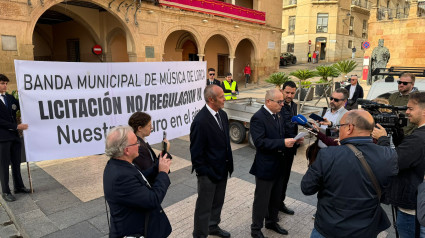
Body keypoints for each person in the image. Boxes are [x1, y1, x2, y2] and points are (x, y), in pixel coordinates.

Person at [302, 110, 399, 238]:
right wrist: (383, 139)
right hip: (365, 230)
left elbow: (307, 188)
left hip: (329, 228)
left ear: (349, 128)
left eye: (340, 126)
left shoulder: (328, 154)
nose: (338, 130)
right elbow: (388, 194)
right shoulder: (389, 156)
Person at [103, 126, 172, 238]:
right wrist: (163, 173)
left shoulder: (118, 163)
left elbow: (140, 178)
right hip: (137, 232)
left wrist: (158, 166)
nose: (139, 145)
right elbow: (152, 199)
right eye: (136, 143)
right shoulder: (121, 177)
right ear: (126, 150)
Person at [373, 92, 425, 238]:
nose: (406, 112)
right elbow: (409, 154)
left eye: (410, 109)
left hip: (412, 209)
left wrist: (383, 139)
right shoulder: (418, 136)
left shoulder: (419, 138)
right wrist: (397, 133)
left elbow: (392, 162)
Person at [250, 89, 298, 238]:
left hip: (279, 164)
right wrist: (283, 142)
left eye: (283, 101)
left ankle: (271, 222)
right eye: (280, 102)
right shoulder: (258, 117)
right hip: (265, 166)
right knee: (261, 200)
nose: (283, 104)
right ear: (268, 102)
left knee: (276, 196)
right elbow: (260, 142)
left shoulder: (278, 115)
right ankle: (256, 229)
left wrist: (294, 140)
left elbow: (281, 134)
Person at [190, 85, 234, 238]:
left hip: (222, 169)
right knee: (204, 207)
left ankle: (213, 227)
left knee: (217, 202)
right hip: (208, 175)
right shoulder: (200, 121)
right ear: (211, 99)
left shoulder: (222, 115)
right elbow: (196, 154)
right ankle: (200, 234)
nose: (225, 99)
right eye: (222, 97)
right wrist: (205, 173)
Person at [0, 74, 30, 202]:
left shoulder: (10, 97)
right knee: (4, 165)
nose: (5, 86)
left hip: (15, 137)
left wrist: (24, 95)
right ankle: (6, 191)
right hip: (3, 138)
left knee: (16, 163)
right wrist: (16, 126)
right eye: (2, 83)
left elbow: (21, 106)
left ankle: (19, 186)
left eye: (6, 83)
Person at [279, 81, 304, 215]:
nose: (289, 95)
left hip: (291, 148)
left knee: (286, 178)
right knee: (279, 179)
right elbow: (282, 126)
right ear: (282, 91)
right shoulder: (278, 106)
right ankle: (273, 206)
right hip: (281, 148)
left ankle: (280, 202)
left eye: (292, 93)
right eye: (287, 92)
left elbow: (292, 123)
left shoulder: (293, 105)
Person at [128, 112, 171, 183]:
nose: (152, 127)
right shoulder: (139, 147)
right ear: (140, 128)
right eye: (149, 125)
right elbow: (150, 172)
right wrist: (165, 151)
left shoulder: (140, 141)